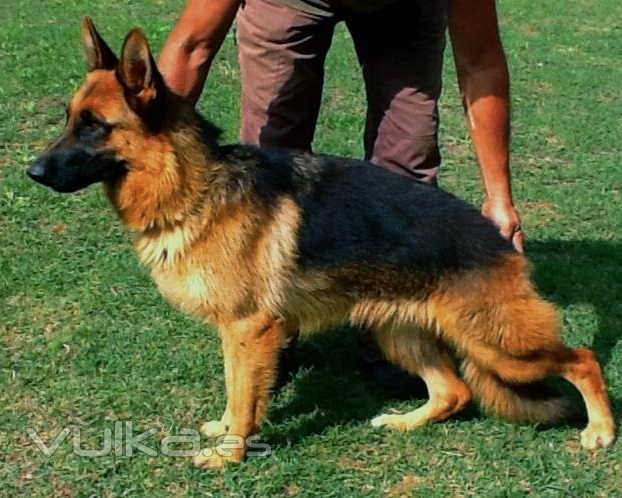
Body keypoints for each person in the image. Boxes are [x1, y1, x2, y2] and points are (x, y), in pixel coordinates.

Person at [159, 0, 524, 397]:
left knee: (406, 166)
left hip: (403, 11)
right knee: (271, 156)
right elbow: (193, 44)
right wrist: (151, 144)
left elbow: (481, 63)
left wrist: (498, 198)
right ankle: (269, 326)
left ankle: (394, 334)